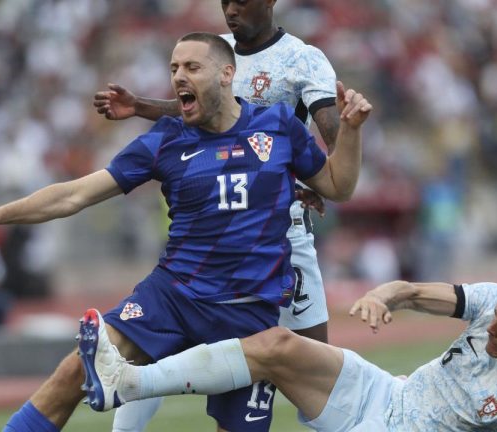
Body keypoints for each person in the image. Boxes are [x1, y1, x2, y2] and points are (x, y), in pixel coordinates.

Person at [0, 32, 371, 432]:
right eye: (173, 68)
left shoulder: (278, 127)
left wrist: (350, 133)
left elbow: (339, 186)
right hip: (172, 296)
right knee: (76, 369)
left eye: (192, 67)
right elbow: (74, 195)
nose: (179, 76)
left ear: (227, 74)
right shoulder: (166, 139)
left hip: (248, 314)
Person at [94, 2, 341, 426]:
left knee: (314, 367)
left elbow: (332, 135)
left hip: (281, 232)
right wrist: (140, 106)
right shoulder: (213, 50)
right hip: (215, 231)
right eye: (225, 2)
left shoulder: (303, 58)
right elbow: (195, 112)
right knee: (158, 342)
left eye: (241, 1)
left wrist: (317, 180)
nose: (231, 10)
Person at [82, 279, 497, 431]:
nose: (492, 330)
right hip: (385, 392)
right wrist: (381, 297)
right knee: (276, 345)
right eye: (496, 319)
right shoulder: (495, 301)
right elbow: (411, 291)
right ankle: (128, 383)